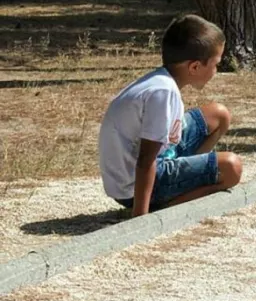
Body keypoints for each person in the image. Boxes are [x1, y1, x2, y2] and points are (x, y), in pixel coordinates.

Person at [98, 14, 243, 217]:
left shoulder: (161, 81)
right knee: (231, 167)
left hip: (154, 162)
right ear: (194, 67)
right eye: (215, 64)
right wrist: (140, 217)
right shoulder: (163, 93)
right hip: (133, 187)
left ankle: (184, 180)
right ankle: (165, 204)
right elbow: (146, 159)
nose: (216, 70)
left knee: (219, 115)